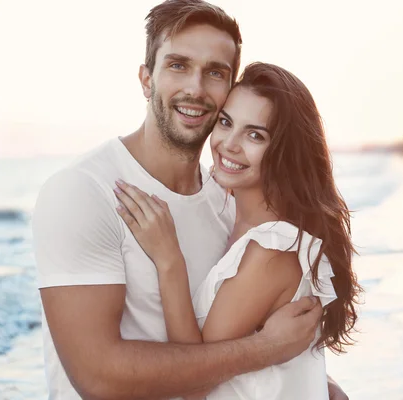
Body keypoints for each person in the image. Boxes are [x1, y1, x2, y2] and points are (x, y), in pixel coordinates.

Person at [32, 0, 351, 399]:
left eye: (215, 73)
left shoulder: (231, 199)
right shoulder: (83, 192)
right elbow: (99, 379)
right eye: (178, 65)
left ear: (229, 89)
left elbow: (249, 335)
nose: (196, 89)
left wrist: (320, 385)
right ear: (146, 79)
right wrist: (268, 349)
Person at [114, 62, 362, 399]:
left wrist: (168, 258)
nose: (229, 144)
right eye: (226, 122)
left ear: (285, 152)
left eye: (255, 135)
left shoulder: (272, 249)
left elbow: (196, 383)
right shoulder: (231, 211)